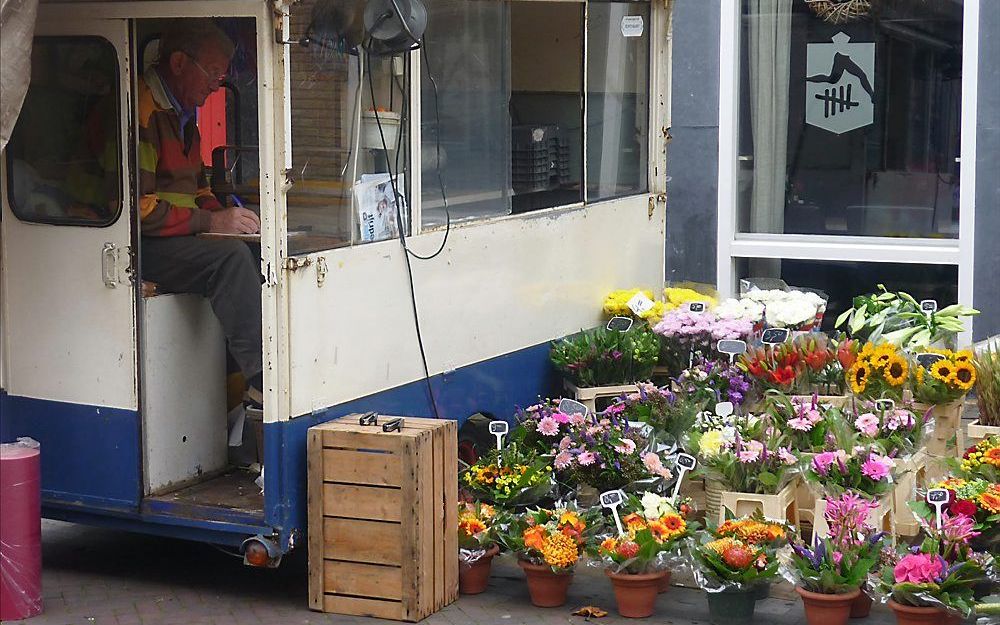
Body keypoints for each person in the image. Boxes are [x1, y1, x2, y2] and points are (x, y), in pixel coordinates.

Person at [138, 19, 263, 405]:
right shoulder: (142, 114)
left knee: (255, 250)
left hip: (176, 236)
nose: (216, 85)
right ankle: (263, 381)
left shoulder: (184, 118)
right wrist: (212, 223)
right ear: (178, 63)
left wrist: (232, 221)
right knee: (229, 260)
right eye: (213, 74)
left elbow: (200, 191)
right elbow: (139, 211)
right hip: (138, 245)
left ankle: (234, 386)